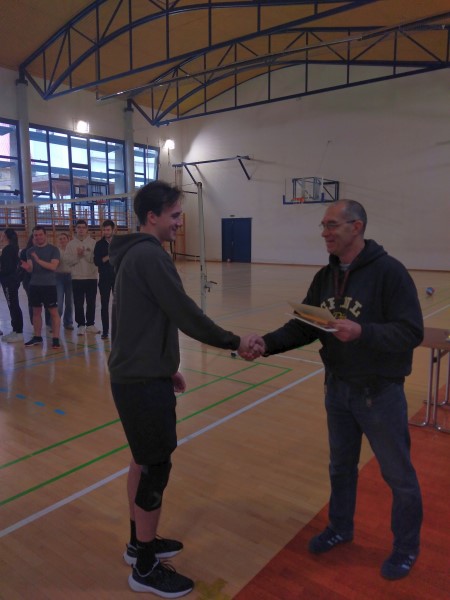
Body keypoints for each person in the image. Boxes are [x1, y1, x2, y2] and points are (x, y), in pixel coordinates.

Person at [246, 199, 424, 581]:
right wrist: (266, 343)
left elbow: (411, 332)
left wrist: (363, 332)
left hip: (379, 394)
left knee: (399, 477)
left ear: (356, 227)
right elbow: (304, 325)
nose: (324, 232)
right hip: (338, 390)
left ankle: (406, 548)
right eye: (323, 226)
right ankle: (341, 527)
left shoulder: (389, 272)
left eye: (332, 225)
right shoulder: (325, 276)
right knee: (341, 468)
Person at [108, 180, 251, 597]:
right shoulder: (150, 256)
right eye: (174, 215)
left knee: (142, 460)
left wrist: (165, 366)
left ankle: (138, 544)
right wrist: (234, 341)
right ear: (152, 217)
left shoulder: (132, 254)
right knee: (155, 467)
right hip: (140, 382)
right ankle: (145, 568)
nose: (179, 222)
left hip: (137, 375)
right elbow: (186, 314)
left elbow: (137, 321)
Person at [21, 225, 61, 349]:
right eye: (35, 235)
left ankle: (55, 338)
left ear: (45, 235)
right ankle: (37, 337)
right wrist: (27, 267)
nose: (38, 237)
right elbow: (31, 269)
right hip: (34, 285)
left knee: (53, 312)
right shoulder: (30, 251)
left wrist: (38, 260)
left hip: (49, 285)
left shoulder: (54, 250)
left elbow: (53, 266)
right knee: (36, 312)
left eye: (40, 234)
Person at [66, 219, 99, 335]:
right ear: (75, 229)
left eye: (83, 227)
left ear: (87, 229)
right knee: (78, 303)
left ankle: (90, 324)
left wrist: (84, 253)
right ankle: (80, 324)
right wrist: (78, 256)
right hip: (77, 278)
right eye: (79, 227)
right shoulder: (71, 244)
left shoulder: (93, 243)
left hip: (91, 277)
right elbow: (68, 261)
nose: (81, 229)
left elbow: (95, 260)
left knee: (91, 302)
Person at [0, 228, 24, 343]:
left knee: (13, 305)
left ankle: (18, 332)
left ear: (6, 236)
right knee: (13, 305)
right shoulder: (12, 248)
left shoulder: (8, 249)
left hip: (9, 281)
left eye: (2, 235)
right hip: (11, 281)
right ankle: (15, 330)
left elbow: (8, 268)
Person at [94, 219, 116, 339]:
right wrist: (108, 257)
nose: (106, 232)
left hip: (117, 278)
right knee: (104, 305)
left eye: (108, 230)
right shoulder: (99, 244)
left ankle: (119, 330)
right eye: (104, 230)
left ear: (113, 230)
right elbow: (96, 261)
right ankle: (105, 331)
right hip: (104, 278)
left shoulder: (118, 243)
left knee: (119, 305)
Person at [55, 232, 74, 331]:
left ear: (68, 240)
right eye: (60, 239)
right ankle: (56, 322)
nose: (62, 240)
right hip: (58, 277)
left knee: (69, 302)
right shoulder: (56, 251)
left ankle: (68, 322)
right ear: (57, 241)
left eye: (64, 238)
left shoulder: (72, 251)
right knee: (59, 302)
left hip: (71, 277)